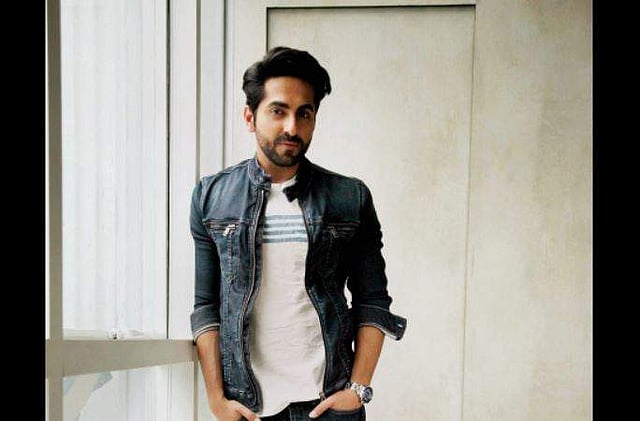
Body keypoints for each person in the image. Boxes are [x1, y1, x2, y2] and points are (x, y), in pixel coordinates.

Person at [190, 46, 407, 421]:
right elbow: (206, 307)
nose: (292, 127)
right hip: (249, 410)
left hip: (329, 405)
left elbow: (373, 300)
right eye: (278, 111)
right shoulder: (212, 199)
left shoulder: (349, 199)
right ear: (250, 117)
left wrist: (357, 390)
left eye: (304, 114)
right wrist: (216, 399)